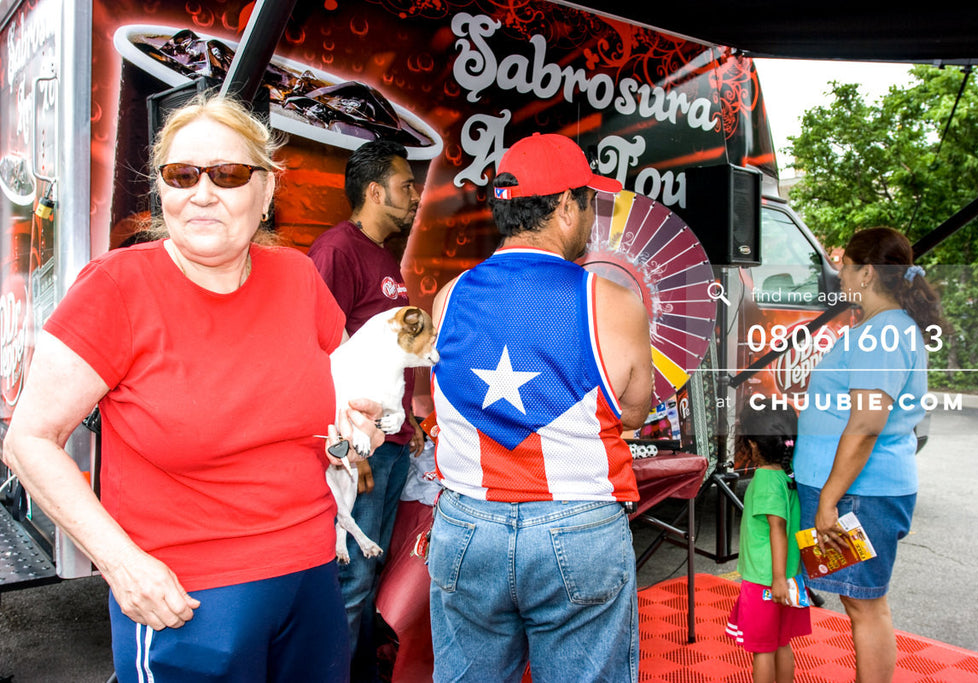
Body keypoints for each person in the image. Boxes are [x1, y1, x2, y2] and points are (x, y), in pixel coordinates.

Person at [1, 93, 385, 682]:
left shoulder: (298, 276)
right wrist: (123, 565)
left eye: (228, 174)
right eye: (182, 175)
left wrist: (359, 424)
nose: (202, 193)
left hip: (311, 579)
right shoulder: (118, 288)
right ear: (162, 189)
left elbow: (334, 396)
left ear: (267, 191)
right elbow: (29, 439)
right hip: (188, 598)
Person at [428, 133, 653, 682]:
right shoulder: (614, 302)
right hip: (577, 527)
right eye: (590, 202)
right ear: (566, 208)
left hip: (466, 525)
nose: (593, 215)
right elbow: (634, 411)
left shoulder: (449, 295)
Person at [793, 227, 943, 683]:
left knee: (865, 605)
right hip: (852, 492)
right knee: (858, 601)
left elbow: (866, 426)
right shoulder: (880, 328)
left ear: (868, 272)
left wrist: (828, 501)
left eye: (844, 267)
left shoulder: (885, 333)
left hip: (857, 496)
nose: (839, 276)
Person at [307, 139, 425, 679]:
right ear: (376, 192)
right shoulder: (336, 250)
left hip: (393, 441)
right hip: (360, 449)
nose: (416, 194)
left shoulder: (382, 257)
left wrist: (411, 419)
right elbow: (315, 350)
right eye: (406, 185)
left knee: (369, 570)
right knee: (351, 577)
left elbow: (384, 354)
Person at [726, 404, 810, 683]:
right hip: (789, 576)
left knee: (762, 650)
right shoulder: (789, 473)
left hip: (766, 580)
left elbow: (778, 528)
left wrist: (776, 580)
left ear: (751, 443)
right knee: (782, 643)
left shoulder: (764, 479)